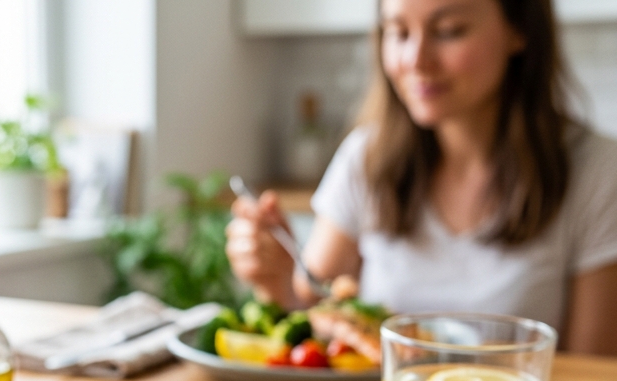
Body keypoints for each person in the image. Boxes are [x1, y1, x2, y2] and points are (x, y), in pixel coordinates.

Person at [226, 0, 617, 355]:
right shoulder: (367, 159)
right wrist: (277, 281)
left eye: (449, 31)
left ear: (520, 31)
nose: (415, 59)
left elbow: (594, 379)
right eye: (398, 32)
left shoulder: (597, 171)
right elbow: (313, 314)